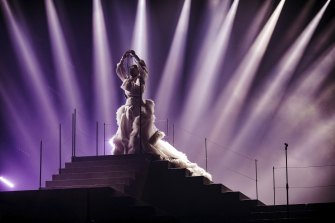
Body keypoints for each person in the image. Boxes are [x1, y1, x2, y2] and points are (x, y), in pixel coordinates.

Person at [111, 50, 212, 181]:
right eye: (130, 69)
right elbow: (119, 69)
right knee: (126, 132)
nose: (131, 71)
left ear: (137, 71)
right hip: (128, 108)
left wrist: (135, 56)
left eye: (133, 69)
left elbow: (144, 68)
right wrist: (124, 57)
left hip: (138, 107)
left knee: (139, 133)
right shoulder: (127, 81)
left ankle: (139, 151)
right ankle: (128, 151)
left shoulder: (141, 80)